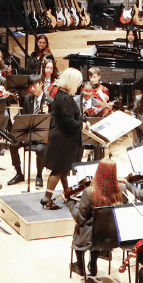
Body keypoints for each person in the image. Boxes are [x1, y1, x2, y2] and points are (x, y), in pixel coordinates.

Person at [43, 67, 86, 209]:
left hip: (62, 137)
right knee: (58, 169)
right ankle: (47, 199)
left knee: (64, 168)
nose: (79, 84)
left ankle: (67, 194)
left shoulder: (60, 95)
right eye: (78, 81)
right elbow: (70, 122)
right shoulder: (65, 98)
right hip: (64, 139)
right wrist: (82, 124)